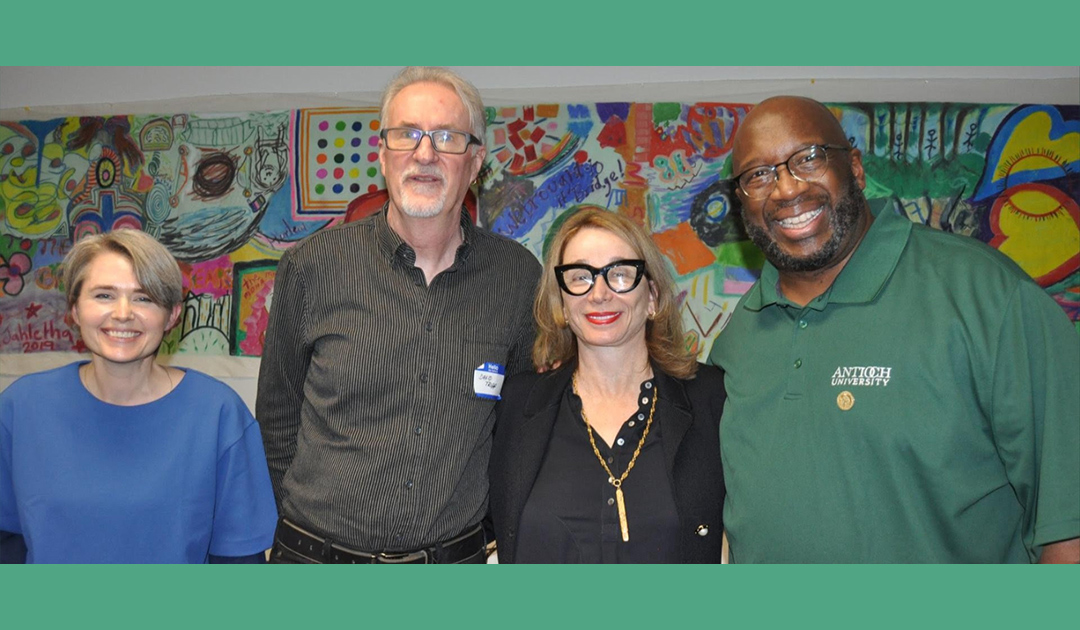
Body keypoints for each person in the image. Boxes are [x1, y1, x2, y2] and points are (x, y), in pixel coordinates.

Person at [708, 96, 1080, 563]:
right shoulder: (736, 341)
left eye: (808, 158)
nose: (785, 190)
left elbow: (1066, 527)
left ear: (856, 169)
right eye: (758, 175)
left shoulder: (988, 298)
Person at [257, 67, 541, 563]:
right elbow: (276, 419)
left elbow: (520, 425)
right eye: (407, 134)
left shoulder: (516, 278)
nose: (425, 153)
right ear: (383, 155)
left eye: (447, 137)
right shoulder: (314, 265)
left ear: (475, 163)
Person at [0, 229, 277, 563]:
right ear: (74, 309)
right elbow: (8, 545)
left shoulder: (218, 415)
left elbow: (239, 565)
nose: (122, 313)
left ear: (172, 315)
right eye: (103, 295)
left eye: (144, 297)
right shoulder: (20, 408)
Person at [489, 208, 725, 563]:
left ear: (652, 297)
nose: (599, 293)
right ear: (563, 304)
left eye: (619, 274)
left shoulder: (713, 400)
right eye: (580, 276)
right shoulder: (516, 406)